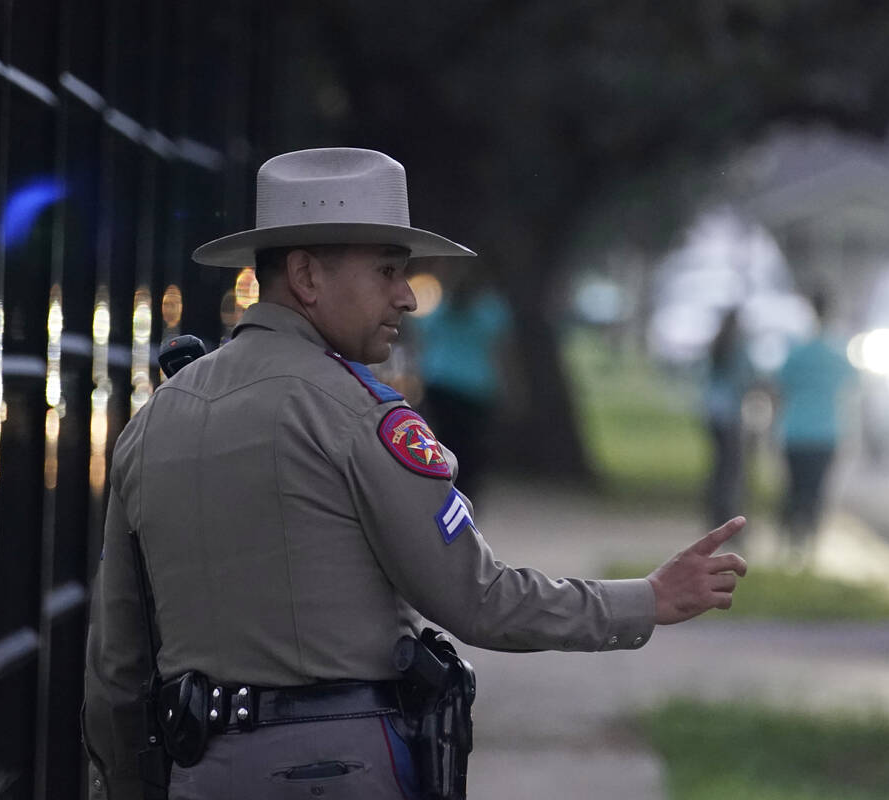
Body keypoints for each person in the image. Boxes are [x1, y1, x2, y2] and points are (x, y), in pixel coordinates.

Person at [82, 147, 748, 800]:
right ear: (307, 277)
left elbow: (117, 669)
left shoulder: (152, 423)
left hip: (198, 770)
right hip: (340, 769)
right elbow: (477, 599)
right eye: (386, 272)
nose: (406, 297)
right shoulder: (360, 416)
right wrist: (646, 600)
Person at [413, 270, 511, 500]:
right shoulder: (492, 311)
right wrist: (508, 387)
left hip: (440, 382)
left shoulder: (440, 307)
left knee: (442, 442)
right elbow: (501, 353)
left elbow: (423, 340)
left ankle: (439, 490)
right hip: (475, 388)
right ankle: (465, 496)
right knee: (471, 448)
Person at [774, 290, 857, 561]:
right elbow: (853, 386)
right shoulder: (837, 354)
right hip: (825, 432)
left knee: (794, 488)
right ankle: (809, 545)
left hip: (795, 431)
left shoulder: (796, 351)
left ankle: (790, 542)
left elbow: (779, 385)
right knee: (816, 491)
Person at [702, 308, 754, 529]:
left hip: (712, 411)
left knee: (718, 465)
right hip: (730, 414)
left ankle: (713, 512)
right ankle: (728, 516)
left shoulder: (716, 345)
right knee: (732, 469)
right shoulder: (738, 348)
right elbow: (746, 378)